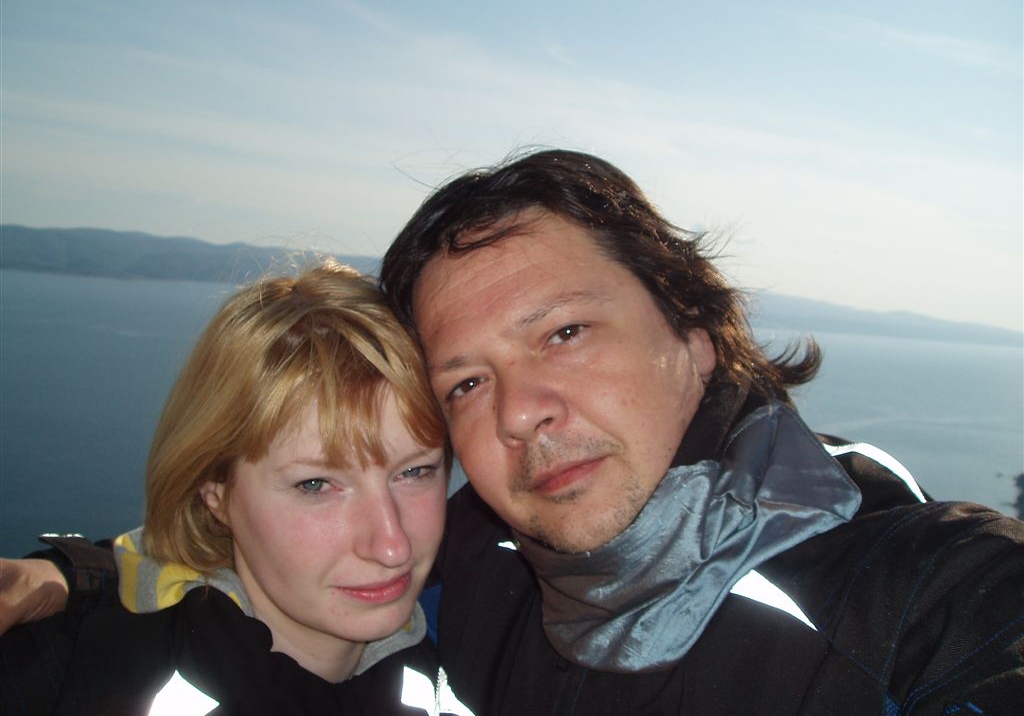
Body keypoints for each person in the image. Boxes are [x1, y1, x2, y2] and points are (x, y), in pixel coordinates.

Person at [4, 150, 1024, 714]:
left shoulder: (920, 592)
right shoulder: (472, 566)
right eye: (466, 381)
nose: (519, 409)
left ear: (696, 333)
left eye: (564, 333)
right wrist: (81, 581)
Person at [0, 261, 470, 716]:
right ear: (216, 493)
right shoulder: (61, 675)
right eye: (315, 484)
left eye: (415, 472)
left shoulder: (468, 650)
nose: (391, 546)